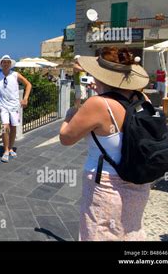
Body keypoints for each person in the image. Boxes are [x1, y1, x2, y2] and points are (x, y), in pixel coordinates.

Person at [59, 46, 151, 241]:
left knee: (97, 234)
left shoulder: (98, 104)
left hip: (107, 186)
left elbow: (66, 138)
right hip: (139, 184)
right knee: (130, 232)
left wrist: (70, 115)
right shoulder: (143, 99)